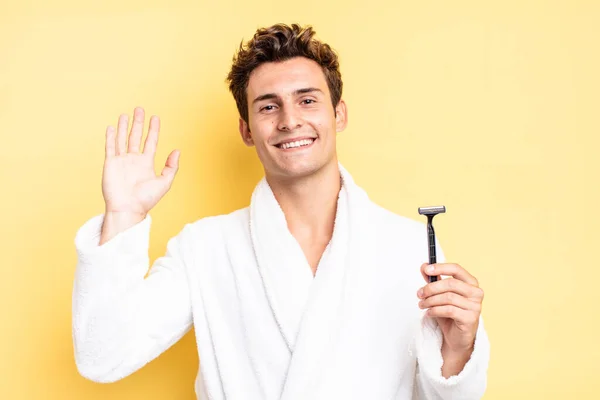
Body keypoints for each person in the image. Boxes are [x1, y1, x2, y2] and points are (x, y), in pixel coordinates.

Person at [72, 23, 490, 399]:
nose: (290, 120)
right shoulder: (204, 249)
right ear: (246, 130)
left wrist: (458, 350)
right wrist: (123, 215)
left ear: (338, 114)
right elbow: (103, 356)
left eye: (307, 100)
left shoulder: (407, 245)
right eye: (269, 106)